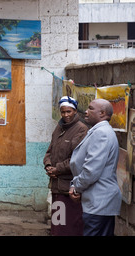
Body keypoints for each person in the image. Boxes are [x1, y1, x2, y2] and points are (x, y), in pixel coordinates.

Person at [69, 98, 122, 236]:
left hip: (99, 201)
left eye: (91, 108)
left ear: (102, 113)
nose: (86, 111)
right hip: (97, 201)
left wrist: (76, 187)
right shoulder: (98, 131)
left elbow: (91, 170)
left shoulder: (102, 133)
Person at [44, 96, 88, 236]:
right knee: (58, 223)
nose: (66, 115)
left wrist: (57, 169)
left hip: (69, 187)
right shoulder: (59, 127)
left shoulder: (81, 130)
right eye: (63, 112)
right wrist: (48, 166)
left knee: (69, 225)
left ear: (75, 111)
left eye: (69, 111)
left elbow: (77, 159)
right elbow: (49, 151)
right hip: (56, 185)